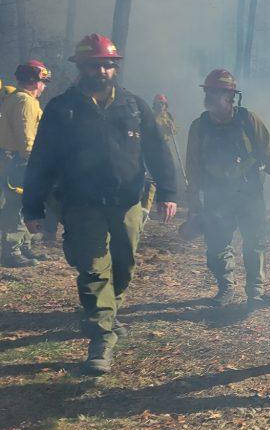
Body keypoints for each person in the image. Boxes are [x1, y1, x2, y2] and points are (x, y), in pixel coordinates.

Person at [22, 34, 177, 375]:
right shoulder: (63, 109)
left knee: (124, 266)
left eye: (109, 64)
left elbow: (158, 151)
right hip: (81, 203)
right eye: (96, 64)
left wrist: (169, 192)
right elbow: (42, 160)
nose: (103, 70)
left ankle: (107, 312)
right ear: (81, 67)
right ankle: (101, 336)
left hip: (127, 203)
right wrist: (32, 207)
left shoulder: (134, 106)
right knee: (93, 269)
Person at [185, 69, 270, 309]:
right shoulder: (199, 127)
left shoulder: (249, 121)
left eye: (216, 92)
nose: (210, 96)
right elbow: (193, 166)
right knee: (217, 246)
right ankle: (226, 287)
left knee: (254, 242)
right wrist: (194, 199)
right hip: (216, 195)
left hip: (249, 194)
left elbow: (268, 152)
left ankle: (255, 293)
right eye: (208, 91)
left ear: (231, 97)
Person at [0, 60, 50, 267]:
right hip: (19, 160)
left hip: (12, 158)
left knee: (23, 204)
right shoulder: (25, 102)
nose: (44, 86)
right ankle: (12, 251)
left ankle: (23, 245)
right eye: (43, 81)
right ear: (34, 81)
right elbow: (27, 137)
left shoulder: (16, 98)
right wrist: (31, 160)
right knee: (16, 204)